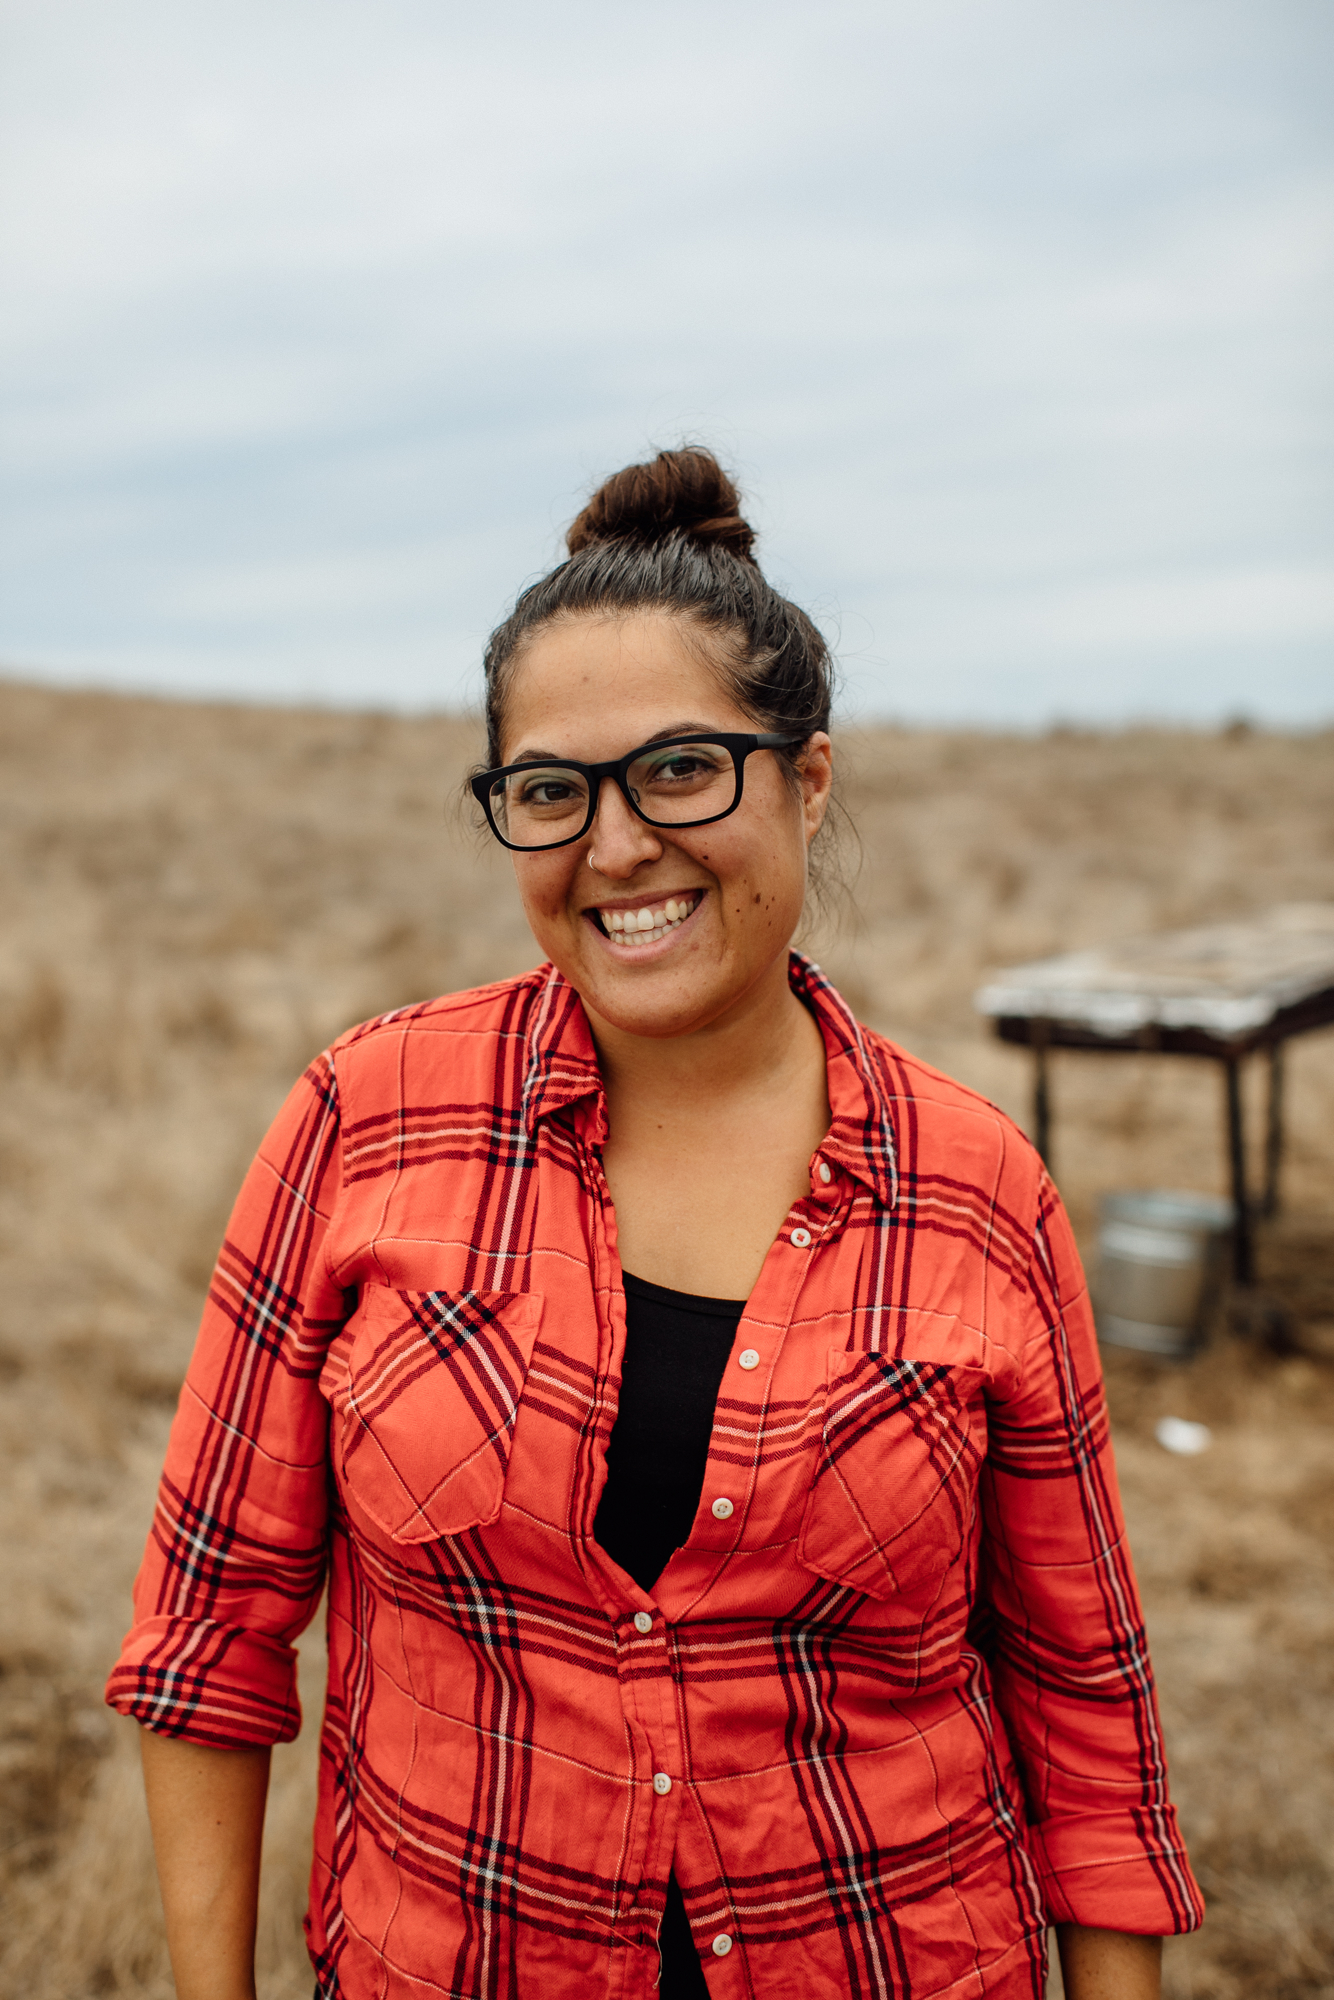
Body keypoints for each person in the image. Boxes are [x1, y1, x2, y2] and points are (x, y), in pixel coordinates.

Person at [108, 447, 1203, 2000]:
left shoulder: (975, 1188)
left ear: (804, 784)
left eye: (681, 768)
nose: (616, 845)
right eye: (551, 790)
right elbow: (208, 1634)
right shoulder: (371, 1118)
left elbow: (1086, 1716)